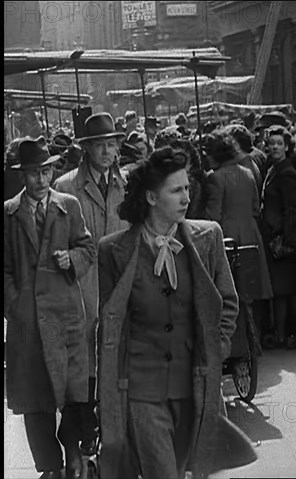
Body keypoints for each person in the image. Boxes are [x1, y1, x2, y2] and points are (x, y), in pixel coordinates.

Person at [96, 147, 256, 479]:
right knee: (162, 473)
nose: (186, 197)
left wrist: (218, 348)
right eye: (176, 190)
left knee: (194, 470)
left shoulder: (207, 237)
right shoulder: (114, 250)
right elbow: (110, 327)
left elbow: (227, 301)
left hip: (194, 382)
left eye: (187, 188)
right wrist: (107, 393)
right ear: (152, 198)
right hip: (142, 388)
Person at [5, 137, 96, 479]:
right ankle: (49, 466)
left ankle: (74, 455)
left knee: (73, 394)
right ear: (22, 175)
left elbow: (88, 248)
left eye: (46, 171)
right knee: (35, 400)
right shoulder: (9, 214)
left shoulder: (69, 205)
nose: (41, 180)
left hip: (65, 314)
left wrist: (71, 258)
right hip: (27, 321)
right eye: (33, 173)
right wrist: (14, 304)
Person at [53, 112, 129, 456]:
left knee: (116, 350)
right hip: (82, 282)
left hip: (118, 278)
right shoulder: (67, 186)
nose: (107, 152)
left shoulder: (125, 183)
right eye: (99, 145)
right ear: (86, 149)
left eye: (111, 145)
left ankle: (113, 431)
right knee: (83, 356)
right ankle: (80, 438)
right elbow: (57, 239)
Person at [204, 129, 273, 309]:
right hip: (251, 232)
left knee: (232, 290)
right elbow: (255, 208)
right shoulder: (247, 172)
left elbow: (213, 216)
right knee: (250, 289)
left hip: (229, 235)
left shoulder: (215, 177)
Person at [260, 125, 296, 349]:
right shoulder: (274, 168)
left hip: (283, 239)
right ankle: (282, 333)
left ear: (287, 146)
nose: (274, 147)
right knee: (282, 290)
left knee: (290, 289)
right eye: (271, 143)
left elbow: (291, 208)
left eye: (279, 143)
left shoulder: (287, 172)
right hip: (276, 236)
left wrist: (288, 239)